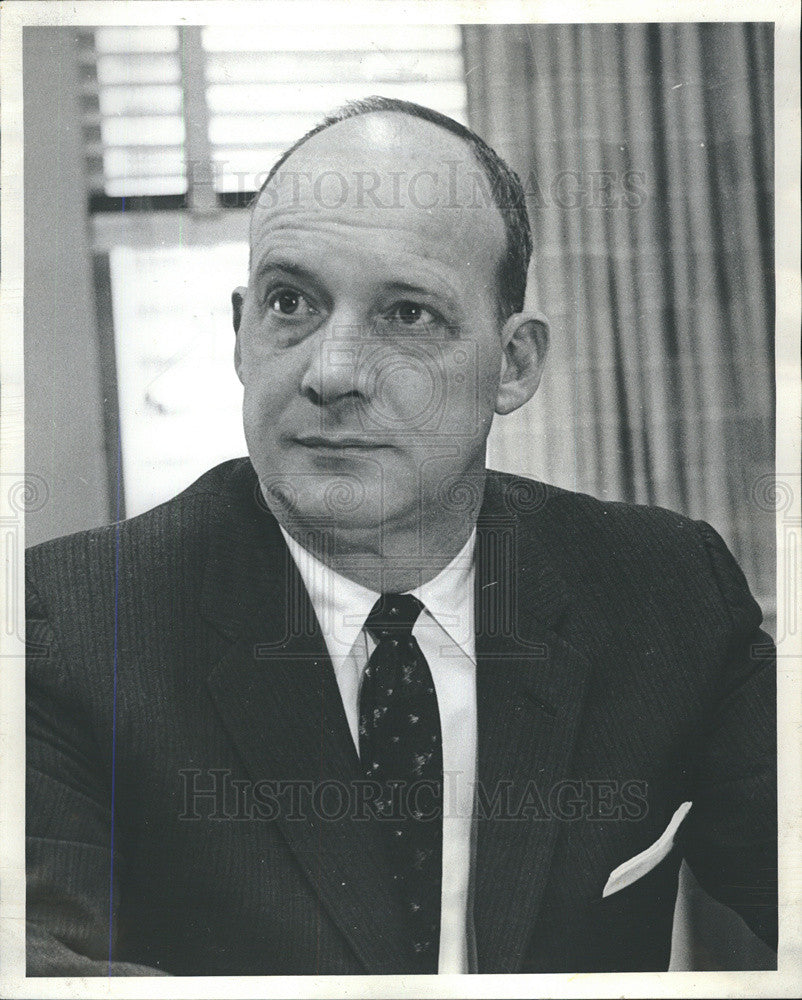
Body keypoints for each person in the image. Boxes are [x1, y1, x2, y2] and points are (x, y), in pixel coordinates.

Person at [26, 96, 776, 976]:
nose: (333, 371)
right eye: (290, 302)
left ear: (516, 364)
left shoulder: (669, 593)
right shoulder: (66, 626)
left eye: (407, 314)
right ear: (240, 334)